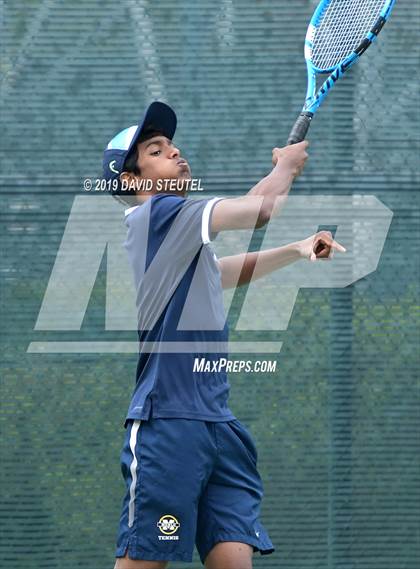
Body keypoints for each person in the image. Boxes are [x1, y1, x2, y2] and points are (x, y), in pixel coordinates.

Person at [102, 101, 345, 569]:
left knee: (234, 558)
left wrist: (296, 249)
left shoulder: (176, 238)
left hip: (219, 427)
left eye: (172, 145)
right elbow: (260, 209)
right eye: (156, 150)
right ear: (132, 181)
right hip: (168, 425)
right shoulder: (155, 216)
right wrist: (287, 167)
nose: (174, 152)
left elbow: (222, 270)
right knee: (144, 560)